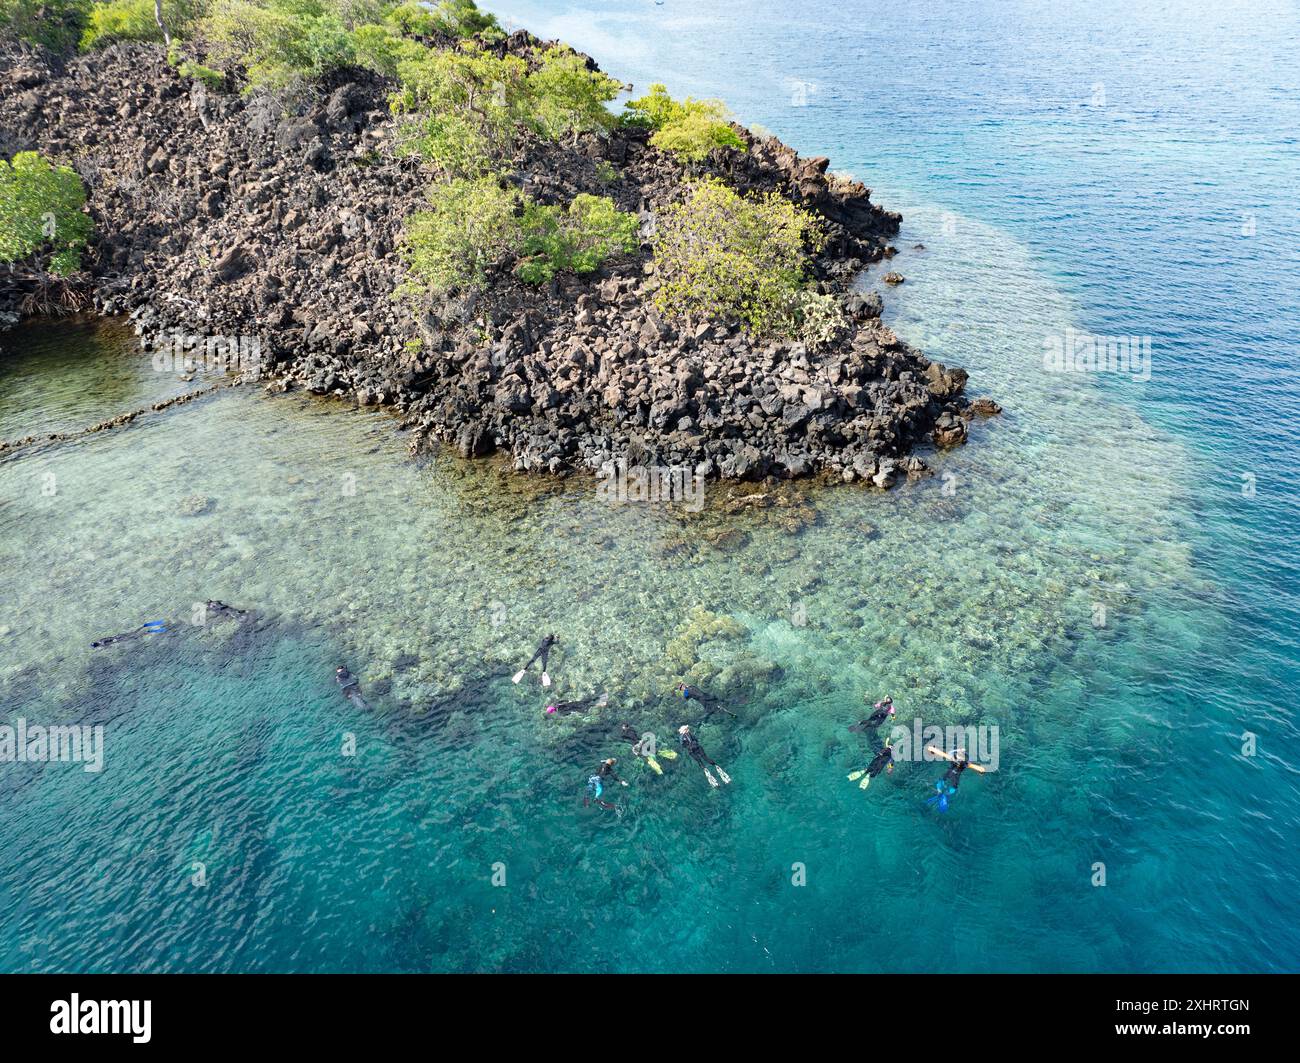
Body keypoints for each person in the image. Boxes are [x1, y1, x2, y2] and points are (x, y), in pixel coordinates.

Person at [924, 746, 986, 811]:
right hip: (955, 777)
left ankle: (939, 792)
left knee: (941, 781)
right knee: (953, 788)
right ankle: (946, 795)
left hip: (948, 774)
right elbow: (981, 769)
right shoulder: (966, 764)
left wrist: (932, 749)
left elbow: (940, 753)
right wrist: (981, 771)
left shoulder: (952, 758)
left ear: (956, 755)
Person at [91, 619, 167, 649]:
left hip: (120, 638)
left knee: (136, 636)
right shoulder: (100, 640)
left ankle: (150, 631)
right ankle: (145, 625)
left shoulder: (103, 644)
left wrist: (115, 643)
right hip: (119, 636)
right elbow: (109, 638)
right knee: (135, 632)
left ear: (96, 646)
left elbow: (111, 641)